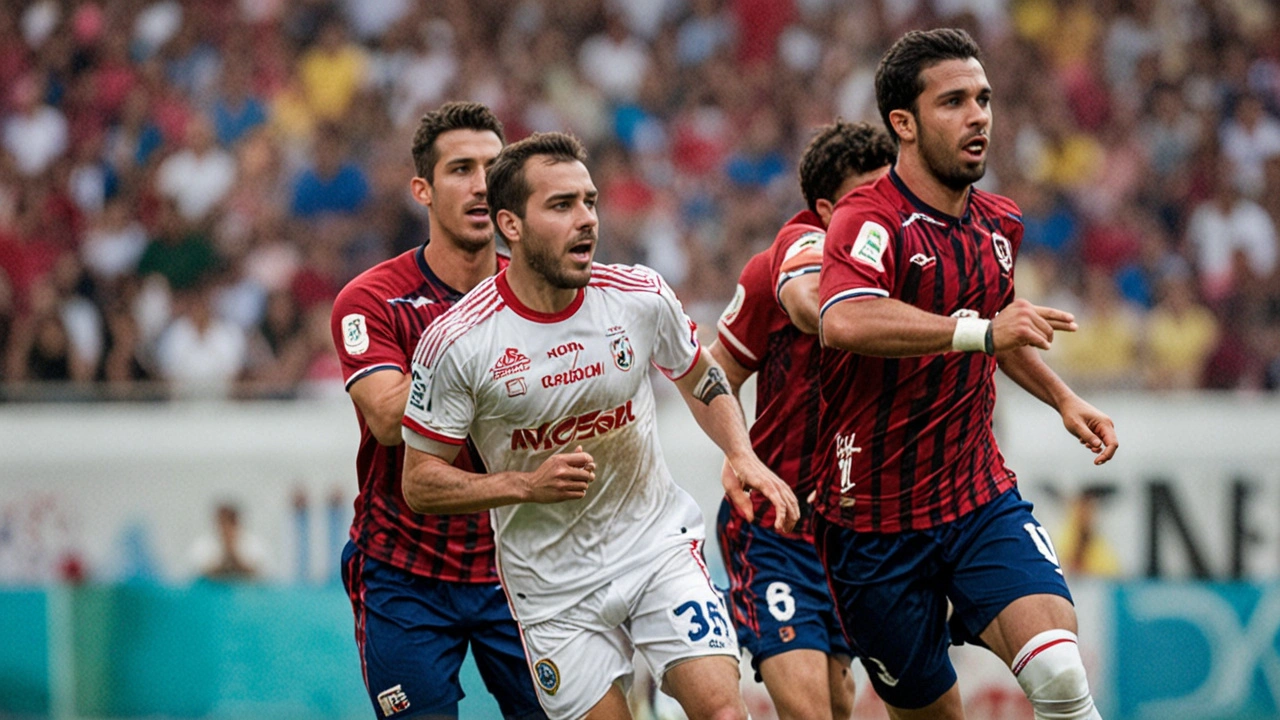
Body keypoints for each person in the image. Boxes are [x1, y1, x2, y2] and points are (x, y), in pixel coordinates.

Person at [400, 131, 800, 720]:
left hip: (655, 548)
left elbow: (701, 378)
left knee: (723, 710)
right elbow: (420, 482)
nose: (586, 219)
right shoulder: (460, 341)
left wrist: (741, 453)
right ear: (510, 224)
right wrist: (524, 486)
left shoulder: (637, 297)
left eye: (589, 201)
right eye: (561, 206)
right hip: (552, 589)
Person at [814, 29, 1118, 720]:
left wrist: (1064, 399)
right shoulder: (870, 219)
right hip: (873, 524)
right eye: (953, 102)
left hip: (975, 498)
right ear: (905, 124)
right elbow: (847, 320)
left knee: (1061, 674)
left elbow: (1001, 328)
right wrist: (981, 330)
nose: (978, 115)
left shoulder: (999, 224)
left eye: (983, 99)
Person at [328, 102, 545, 720]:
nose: (481, 184)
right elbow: (389, 419)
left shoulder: (542, 293)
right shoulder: (370, 299)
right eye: (460, 169)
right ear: (422, 189)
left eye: (494, 167)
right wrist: (476, 338)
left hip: (515, 568)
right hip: (403, 573)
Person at [709, 119, 895, 720]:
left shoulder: (902, 255)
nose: (882, 207)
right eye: (866, 195)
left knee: (841, 701)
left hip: (846, 530)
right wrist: (740, 454)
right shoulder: (800, 247)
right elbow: (717, 374)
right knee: (810, 711)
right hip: (773, 524)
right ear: (824, 208)